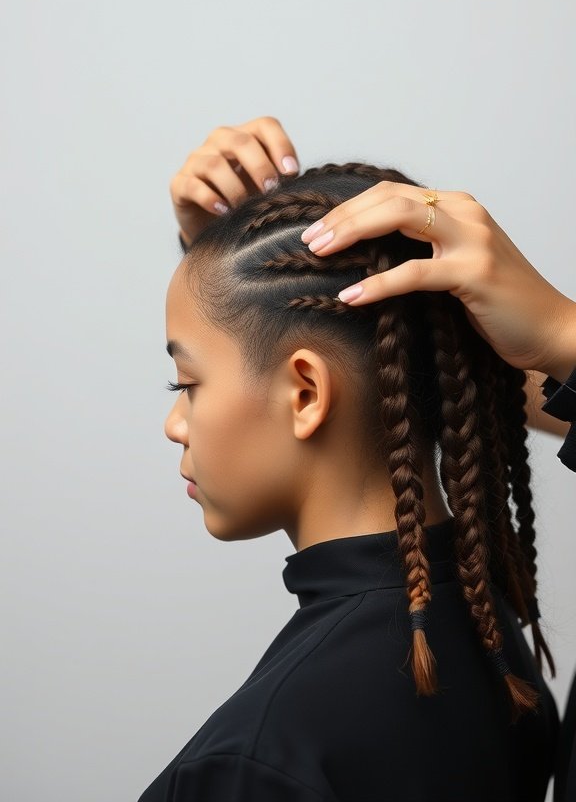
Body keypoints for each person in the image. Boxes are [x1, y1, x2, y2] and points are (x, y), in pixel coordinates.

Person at [137, 117, 576, 802]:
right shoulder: (488, 637)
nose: (174, 426)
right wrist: (233, 287)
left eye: (186, 385)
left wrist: (560, 330)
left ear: (306, 393)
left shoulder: (256, 763)